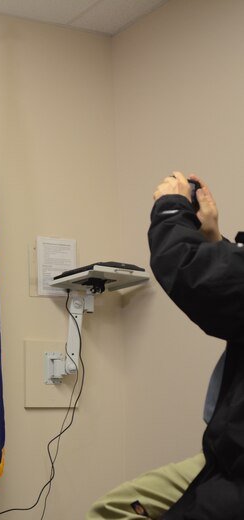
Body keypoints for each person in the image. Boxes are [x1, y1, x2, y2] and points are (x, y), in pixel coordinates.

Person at [87, 171, 238, 519]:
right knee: (111, 508)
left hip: (235, 467)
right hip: (225, 451)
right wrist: (214, 240)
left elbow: (194, 276)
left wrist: (171, 209)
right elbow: (230, 291)